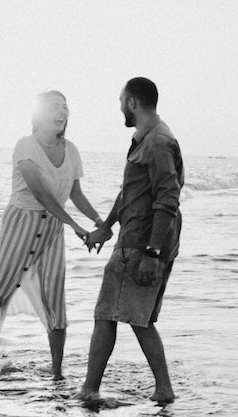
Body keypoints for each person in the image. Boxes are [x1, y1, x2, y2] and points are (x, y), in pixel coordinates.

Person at [0, 90, 103, 380]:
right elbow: (41, 193)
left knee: (55, 298)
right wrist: (75, 226)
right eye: (55, 106)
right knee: (1, 291)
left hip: (52, 233)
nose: (63, 111)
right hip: (20, 226)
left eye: (66, 107)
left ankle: (56, 372)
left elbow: (75, 194)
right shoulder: (25, 146)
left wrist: (98, 220)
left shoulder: (72, 150)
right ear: (39, 114)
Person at [75, 77, 183, 403]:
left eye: (122, 101)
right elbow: (131, 192)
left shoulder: (158, 143)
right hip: (138, 241)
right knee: (139, 319)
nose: (120, 107)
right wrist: (106, 226)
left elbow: (167, 198)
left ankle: (89, 390)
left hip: (141, 244)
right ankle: (162, 389)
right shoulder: (146, 140)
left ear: (133, 102)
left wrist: (151, 252)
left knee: (109, 316)